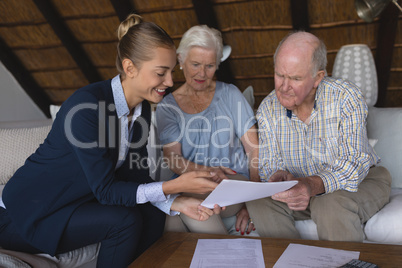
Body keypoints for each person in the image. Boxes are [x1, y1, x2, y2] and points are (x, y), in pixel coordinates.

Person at [0, 14, 222, 268]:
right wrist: (172, 186)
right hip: (25, 215)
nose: (170, 82)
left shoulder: (142, 110)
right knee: (123, 220)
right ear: (130, 68)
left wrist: (177, 202)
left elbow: (135, 178)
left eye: (171, 71)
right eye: (161, 73)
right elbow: (105, 190)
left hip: (73, 203)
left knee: (150, 212)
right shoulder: (85, 108)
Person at [246, 31, 392, 242]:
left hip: (361, 182)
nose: (284, 87)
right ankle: (291, 262)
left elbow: (352, 164)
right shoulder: (268, 108)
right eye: (280, 75)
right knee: (259, 201)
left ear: (318, 78)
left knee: (329, 203)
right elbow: (269, 163)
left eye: (295, 78)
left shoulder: (346, 97)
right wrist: (278, 176)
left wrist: (311, 185)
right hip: (300, 187)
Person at [156, 25, 259, 236]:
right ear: (181, 60)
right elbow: (173, 158)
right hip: (191, 184)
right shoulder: (168, 107)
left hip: (234, 182)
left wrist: (255, 201)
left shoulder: (230, 94)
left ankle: (223, 259)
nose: (202, 73)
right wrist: (208, 173)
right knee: (168, 217)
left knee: (194, 204)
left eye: (210, 65)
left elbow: (255, 150)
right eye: (195, 64)